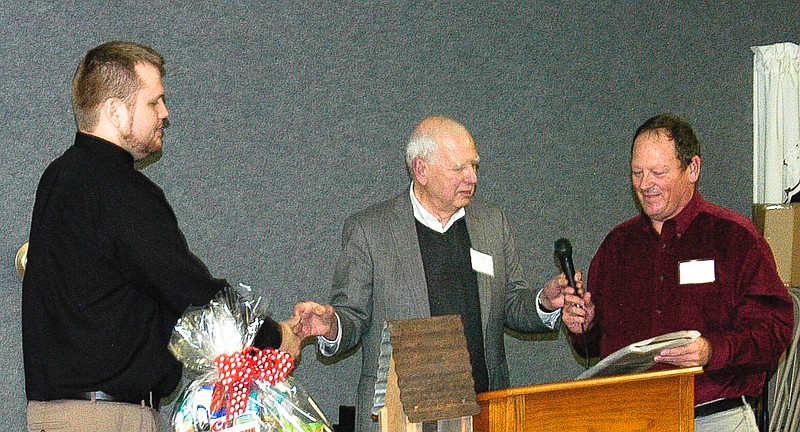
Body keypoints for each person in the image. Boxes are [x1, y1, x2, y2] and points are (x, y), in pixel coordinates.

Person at [22, 41, 301, 432]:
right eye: (154, 103)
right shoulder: (120, 189)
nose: (165, 114)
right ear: (115, 111)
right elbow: (188, 289)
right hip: (106, 419)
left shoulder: (58, 178)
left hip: (57, 414)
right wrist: (275, 337)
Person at [295, 115, 573, 432]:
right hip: (402, 418)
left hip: (484, 413)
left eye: (475, 166)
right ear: (421, 170)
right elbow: (352, 316)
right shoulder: (370, 230)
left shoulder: (492, 223)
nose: (472, 178)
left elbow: (510, 303)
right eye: (459, 168)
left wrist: (544, 302)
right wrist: (332, 325)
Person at [561, 113, 795, 431]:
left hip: (714, 418)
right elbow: (596, 348)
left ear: (692, 169)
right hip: (630, 419)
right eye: (637, 173)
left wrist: (712, 350)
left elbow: (775, 331)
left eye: (658, 172)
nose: (645, 185)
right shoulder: (617, 246)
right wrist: (583, 326)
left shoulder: (735, 238)